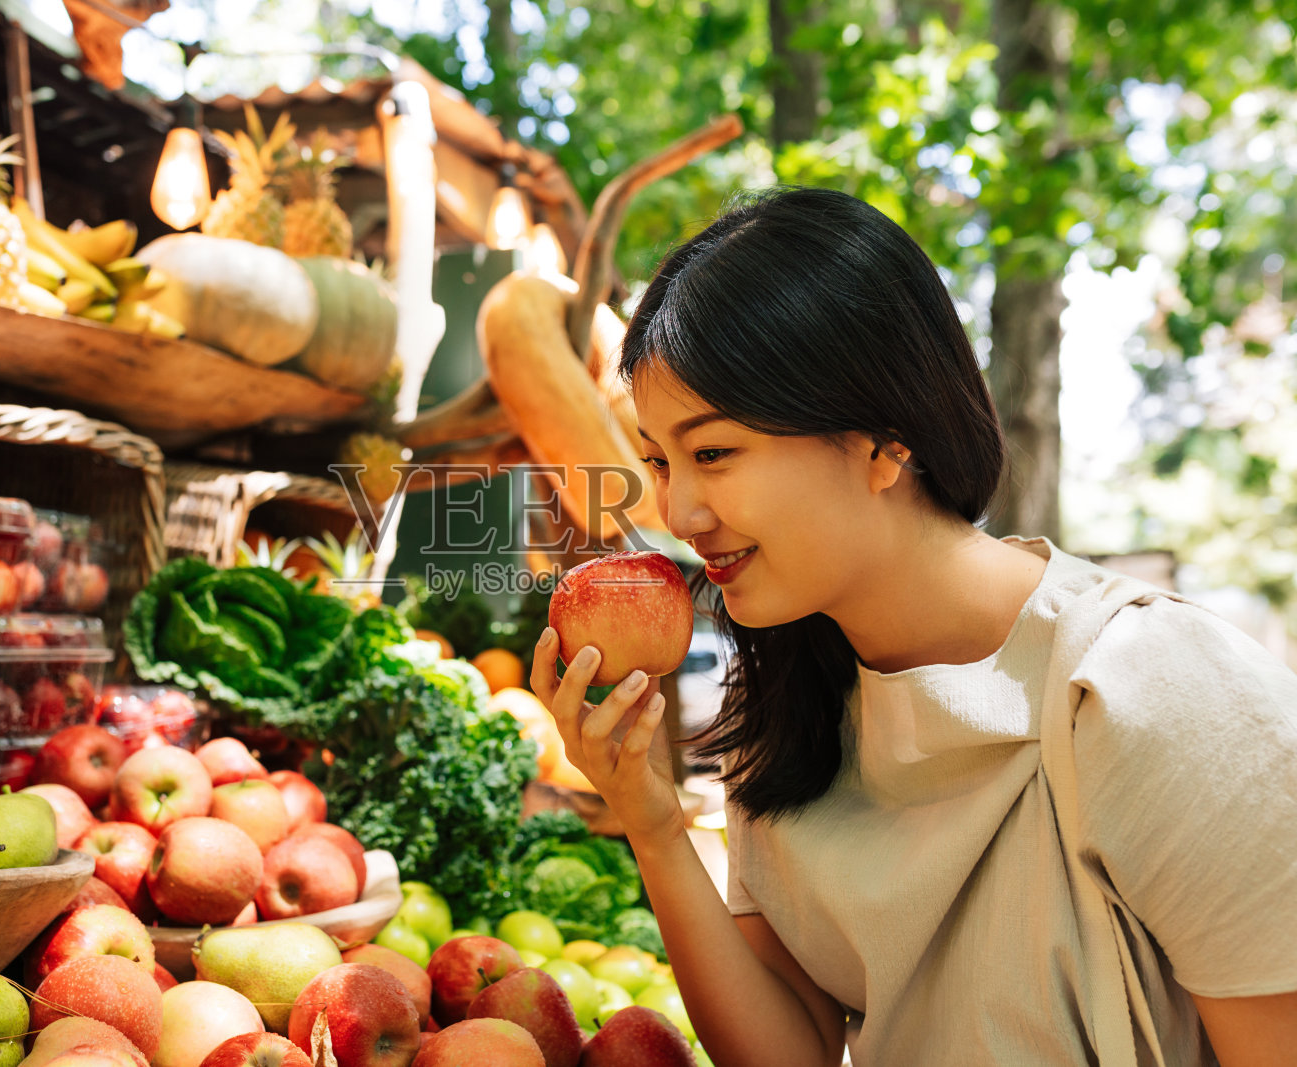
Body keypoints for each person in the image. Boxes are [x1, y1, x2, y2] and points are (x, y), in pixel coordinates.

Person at [531, 186, 1297, 1066]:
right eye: (660, 461)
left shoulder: (1152, 687)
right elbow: (792, 1055)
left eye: (713, 453)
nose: (680, 509)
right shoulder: (792, 706)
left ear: (885, 440)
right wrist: (653, 824)